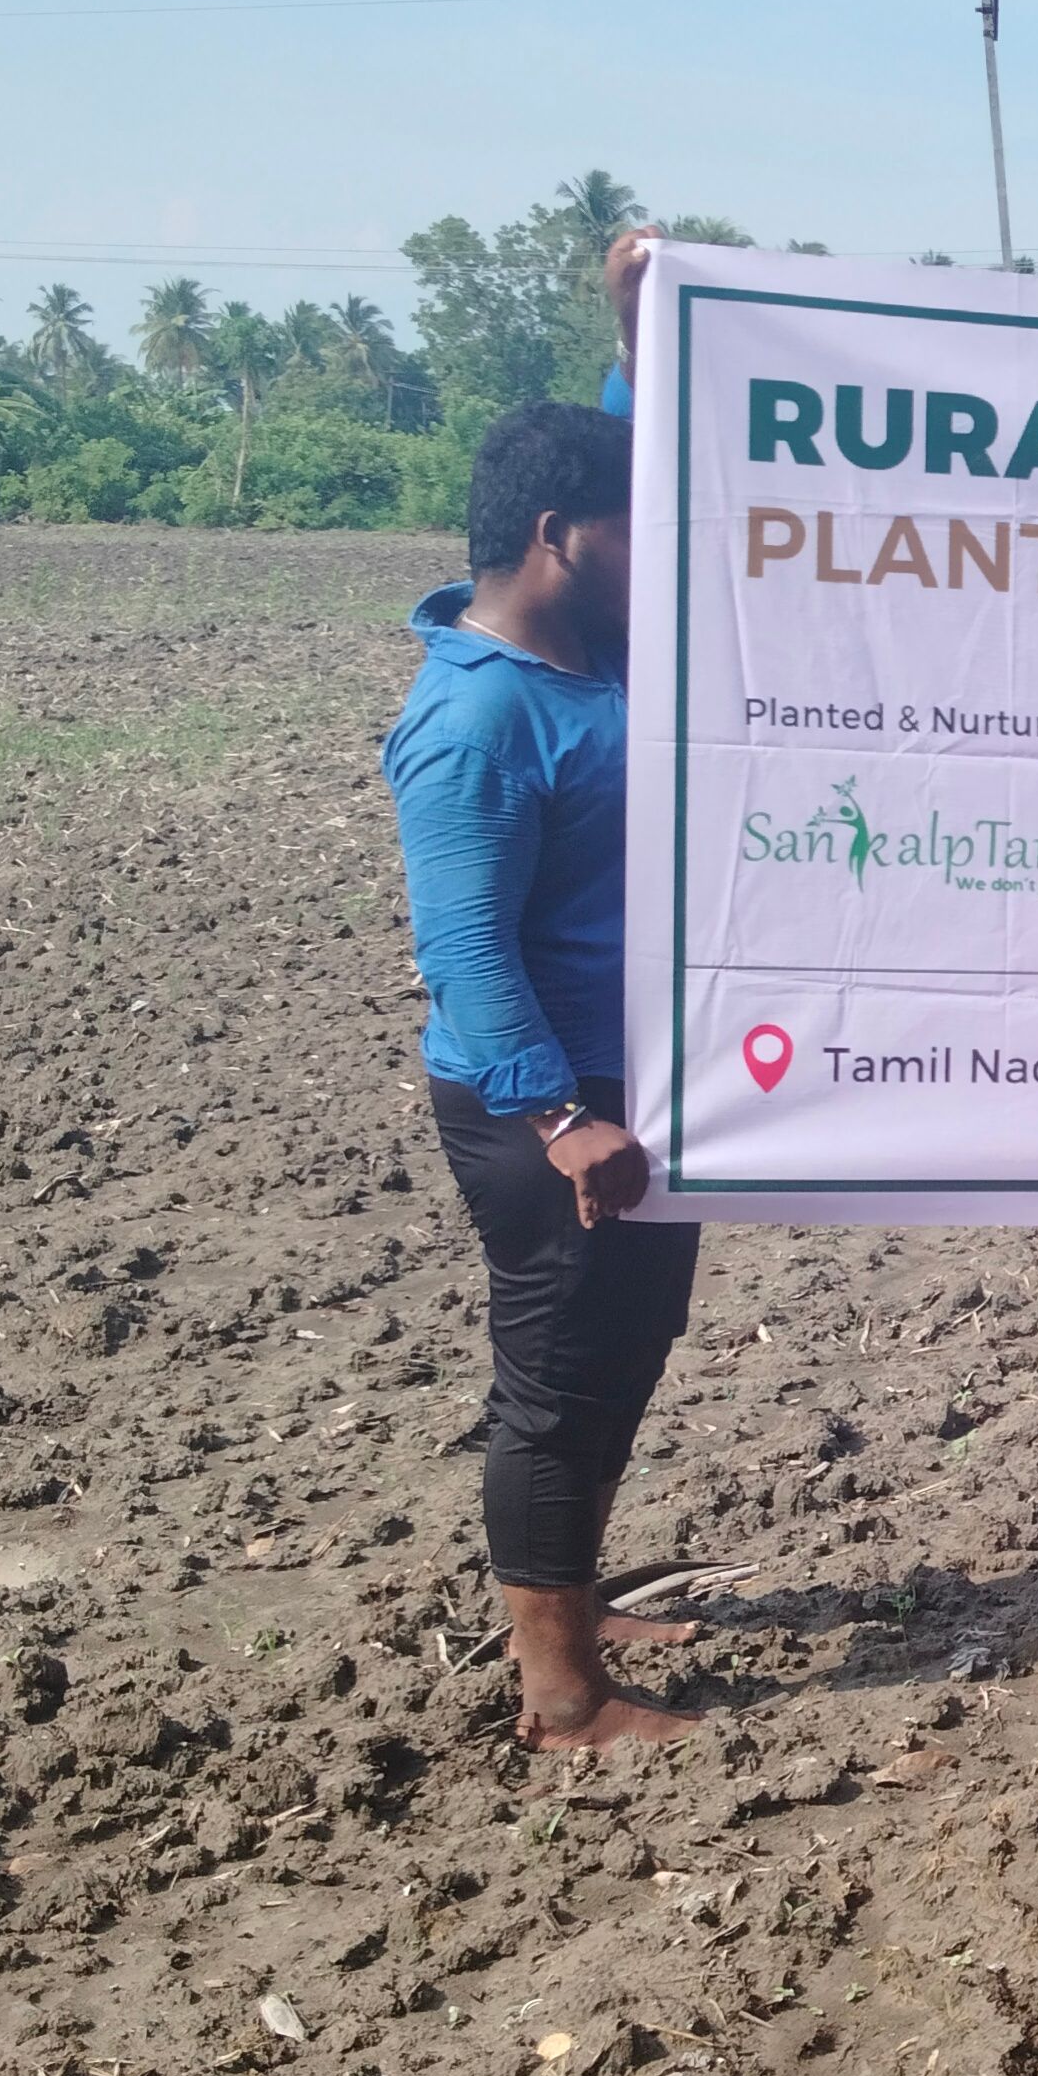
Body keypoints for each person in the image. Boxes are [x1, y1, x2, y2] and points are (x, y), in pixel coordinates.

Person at [385, 399, 701, 1748]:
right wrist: (562, 1114)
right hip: (546, 1108)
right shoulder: (479, 717)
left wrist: (644, 333)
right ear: (559, 535)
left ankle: (575, 1598)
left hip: (639, 1088)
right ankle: (563, 1694)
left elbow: (649, 404)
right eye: (639, 528)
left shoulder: (598, 657)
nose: (660, 551)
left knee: (629, 1343)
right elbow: (463, 941)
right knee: (558, 1378)